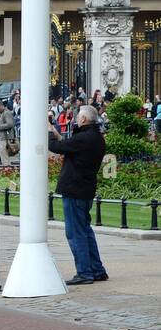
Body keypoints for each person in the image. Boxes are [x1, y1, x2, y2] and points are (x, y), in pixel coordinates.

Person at [48, 105, 108, 285]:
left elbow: (55, 146)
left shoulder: (83, 138)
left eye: (77, 117)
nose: (75, 119)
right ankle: (97, 270)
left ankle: (84, 272)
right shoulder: (97, 138)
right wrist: (56, 133)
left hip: (74, 188)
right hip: (86, 189)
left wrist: (49, 130)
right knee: (86, 230)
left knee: (75, 232)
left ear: (83, 120)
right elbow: (68, 146)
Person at [0, 100, 16, 166]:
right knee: (4, 158)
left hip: (5, 138)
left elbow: (10, 124)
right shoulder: (2, 113)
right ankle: (7, 172)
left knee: (5, 159)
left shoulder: (6, 113)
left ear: (1, 106)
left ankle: (7, 172)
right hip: (2, 138)